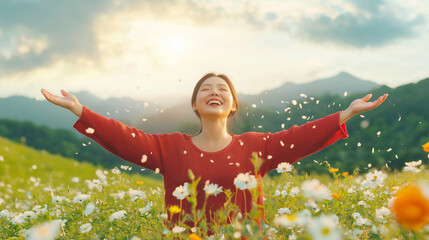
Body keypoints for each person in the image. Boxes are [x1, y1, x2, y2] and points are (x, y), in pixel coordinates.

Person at [41, 73, 388, 234]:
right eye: (205, 89)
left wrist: (345, 115)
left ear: (233, 104)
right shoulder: (170, 148)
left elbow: (298, 138)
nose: (214, 92)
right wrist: (80, 110)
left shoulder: (256, 147)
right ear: (195, 104)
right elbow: (127, 138)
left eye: (222, 89)